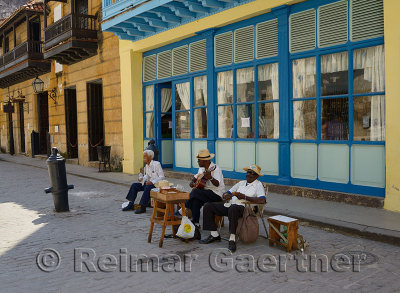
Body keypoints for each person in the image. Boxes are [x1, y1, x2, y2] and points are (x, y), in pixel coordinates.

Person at [200, 164, 266, 252]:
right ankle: (214, 234)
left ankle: (232, 238)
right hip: (230, 206)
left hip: (245, 209)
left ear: (257, 176)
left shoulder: (258, 185)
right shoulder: (241, 183)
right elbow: (228, 192)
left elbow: (262, 200)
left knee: (234, 208)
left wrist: (244, 197)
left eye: (252, 173)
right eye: (248, 172)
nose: (249, 174)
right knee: (208, 206)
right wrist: (226, 195)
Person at [184, 149, 225, 240]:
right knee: (195, 199)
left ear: (206, 161)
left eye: (199, 160)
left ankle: (184, 207)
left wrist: (210, 177)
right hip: (205, 192)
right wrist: (192, 181)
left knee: (195, 192)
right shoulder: (202, 168)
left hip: (216, 193)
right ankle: (196, 223)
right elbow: (196, 176)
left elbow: (217, 184)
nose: (197, 161)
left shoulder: (216, 169)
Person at [122, 150, 164, 214]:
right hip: (149, 183)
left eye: (145, 157)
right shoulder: (147, 166)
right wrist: (141, 179)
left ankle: (142, 207)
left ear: (150, 156)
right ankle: (130, 204)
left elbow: (162, 177)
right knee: (134, 185)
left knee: (147, 187)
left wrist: (152, 182)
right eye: (143, 157)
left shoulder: (157, 164)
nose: (143, 158)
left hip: (156, 184)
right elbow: (147, 176)